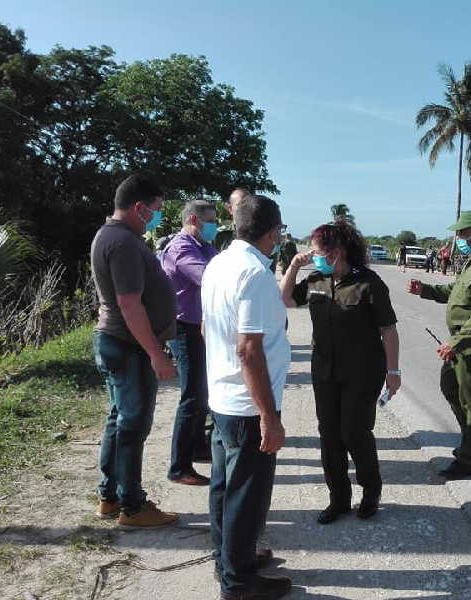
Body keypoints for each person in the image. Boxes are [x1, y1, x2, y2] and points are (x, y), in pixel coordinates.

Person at [202, 192, 291, 599]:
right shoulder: (255, 274)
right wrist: (268, 416)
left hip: (222, 397)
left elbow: (208, 330)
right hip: (245, 406)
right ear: (273, 232)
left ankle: (229, 562)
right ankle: (239, 584)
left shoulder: (218, 263)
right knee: (245, 497)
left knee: (223, 487)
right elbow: (249, 349)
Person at [280, 221, 400, 524]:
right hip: (325, 370)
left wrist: (393, 370)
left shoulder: (368, 282)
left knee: (354, 432)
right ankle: (339, 499)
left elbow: (388, 329)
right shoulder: (316, 280)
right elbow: (285, 299)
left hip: (363, 371)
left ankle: (370, 491)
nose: (313, 255)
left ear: (336, 252)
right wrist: (294, 265)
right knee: (329, 434)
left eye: (317, 250)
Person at [90, 174, 179, 528]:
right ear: (139, 208)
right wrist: (156, 353)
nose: (157, 217)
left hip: (121, 344)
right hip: (128, 346)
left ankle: (110, 497)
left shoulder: (116, 236)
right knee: (132, 425)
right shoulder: (123, 242)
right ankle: (132, 506)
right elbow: (130, 305)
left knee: (119, 421)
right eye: (155, 210)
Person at [407, 210, 471, 479]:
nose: (459, 239)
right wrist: (426, 290)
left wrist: (457, 342)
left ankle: (468, 460)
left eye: (464, 234)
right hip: (462, 344)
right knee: (450, 387)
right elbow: (456, 291)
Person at [160, 200, 219, 486]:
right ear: (194, 219)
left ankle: (197, 447)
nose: (214, 227)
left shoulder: (202, 246)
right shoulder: (182, 248)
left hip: (200, 327)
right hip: (184, 328)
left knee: (202, 392)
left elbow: (218, 262)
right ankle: (179, 466)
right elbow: (210, 277)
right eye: (211, 221)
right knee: (192, 396)